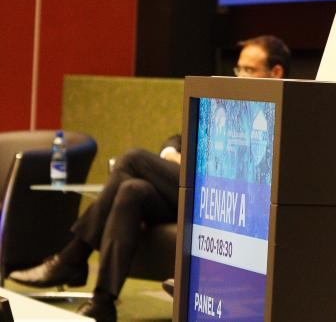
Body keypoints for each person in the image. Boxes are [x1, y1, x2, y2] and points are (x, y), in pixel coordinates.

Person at [7, 36, 293, 322]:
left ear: (276, 72)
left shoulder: (284, 112)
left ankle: (74, 255)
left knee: (131, 160)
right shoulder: (233, 104)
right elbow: (178, 137)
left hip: (231, 199)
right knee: (132, 190)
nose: (240, 76)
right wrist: (173, 153)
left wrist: (194, 164)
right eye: (238, 69)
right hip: (194, 189)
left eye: (250, 70)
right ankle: (103, 301)